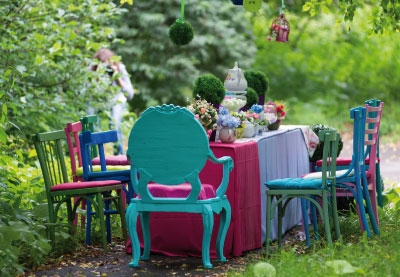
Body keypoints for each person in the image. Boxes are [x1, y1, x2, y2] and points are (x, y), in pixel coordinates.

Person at [91, 48, 134, 155]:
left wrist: (117, 76)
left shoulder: (120, 68)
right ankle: (94, 155)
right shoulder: (93, 69)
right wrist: (97, 74)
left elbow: (130, 94)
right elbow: (89, 92)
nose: (107, 68)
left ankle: (119, 154)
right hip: (99, 100)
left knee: (114, 123)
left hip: (117, 99)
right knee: (93, 121)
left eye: (108, 64)